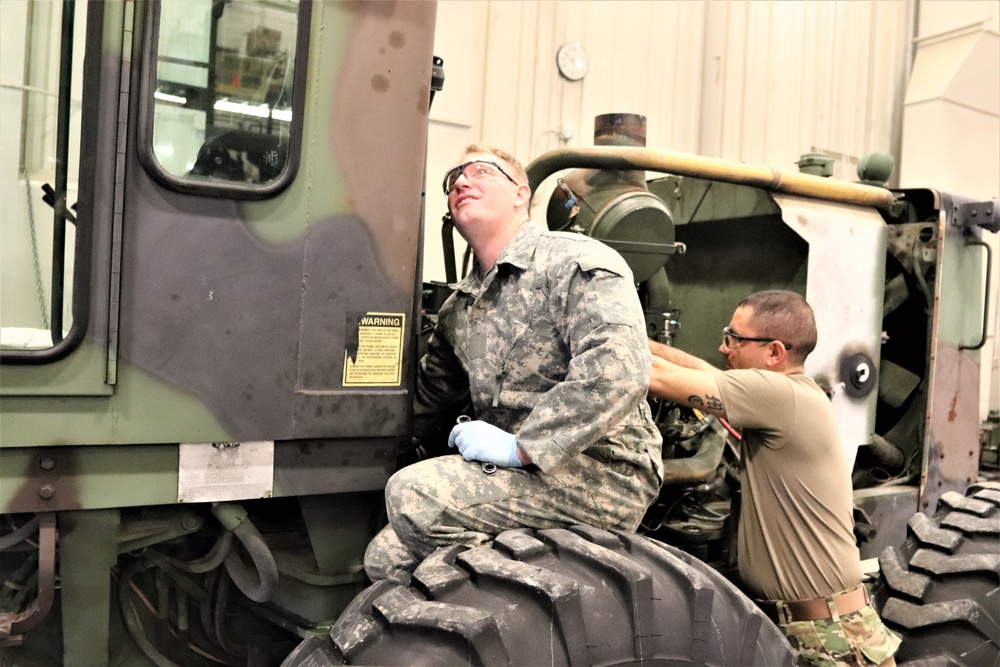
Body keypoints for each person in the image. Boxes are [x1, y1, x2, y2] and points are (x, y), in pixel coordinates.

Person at [363, 143, 663, 586]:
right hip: (524, 479)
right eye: (454, 179)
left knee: (413, 495)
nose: (462, 182)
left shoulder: (574, 262)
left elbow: (617, 373)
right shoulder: (459, 310)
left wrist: (520, 448)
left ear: (521, 194)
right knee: (385, 559)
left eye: (481, 171)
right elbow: (425, 403)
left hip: (599, 473)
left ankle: (551, 600)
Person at [647, 290, 900, 667]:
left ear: (775, 352)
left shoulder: (781, 396)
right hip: (809, 628)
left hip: (829, 639)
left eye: (734, 339)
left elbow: (661, 378)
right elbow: (700, 371)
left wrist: (602, 330)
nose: (723, 347)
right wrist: (637, 334)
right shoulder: (785, 394)